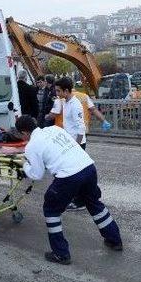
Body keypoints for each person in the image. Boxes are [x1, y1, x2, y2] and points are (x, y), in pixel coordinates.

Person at [15, 115, 122, 265]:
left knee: (51, 209)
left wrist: (24, 164)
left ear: (24, 133)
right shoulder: (54, 129)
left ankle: (60, 254)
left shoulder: (31, 146)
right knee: (93, 203)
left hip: (69, 176)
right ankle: (115, 240)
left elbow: (36, 174)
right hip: (88, 167)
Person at [47, 77, 111, 211]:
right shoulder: (66, 101)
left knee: (76, 174)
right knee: (74, 172)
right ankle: (87, 196)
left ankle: (82, 200)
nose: (57, 94)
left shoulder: (75, 104)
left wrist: (76, 147)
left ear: (66, 90)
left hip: (76, 144)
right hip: (70, 142)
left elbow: (80, 127)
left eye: (58, 91)